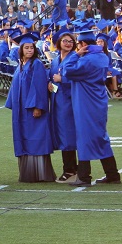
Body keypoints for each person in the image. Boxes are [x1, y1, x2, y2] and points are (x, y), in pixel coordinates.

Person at [62, 30, 120, 186]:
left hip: (86, 102)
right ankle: (112, 174)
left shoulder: (87, 59)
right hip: (97, 100)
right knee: (100, 137)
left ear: (84, 45)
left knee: (84, 137)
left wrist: (76, 55)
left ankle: (84, 176)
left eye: (78, 45)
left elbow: (67, 70)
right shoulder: (101, 56)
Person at [5, 33, 54, 182]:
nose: (29, 50)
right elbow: (15, 86)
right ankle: (28, 174)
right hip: (21, 111)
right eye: (26, 48)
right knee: (25, 139)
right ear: (21, 50)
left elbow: (38, 86)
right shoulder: (21, 65)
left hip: (33, 110)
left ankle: (39, 174)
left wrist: (38, 107)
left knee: (36, 139)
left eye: (31, 48)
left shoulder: (36, 64)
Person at [49, 28, 80, 183]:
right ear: (58, 43)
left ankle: (70, 169)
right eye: (65, 41)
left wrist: (63, 80)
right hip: (57, 101)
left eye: (71, 41)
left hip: (69, 101)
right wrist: (50, 84)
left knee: (68, 135)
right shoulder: (55, 60)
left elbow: (79, 77)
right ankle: (70, 168)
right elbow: (52, 78)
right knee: (62, 134)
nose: (68, 43)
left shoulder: (75, 58)